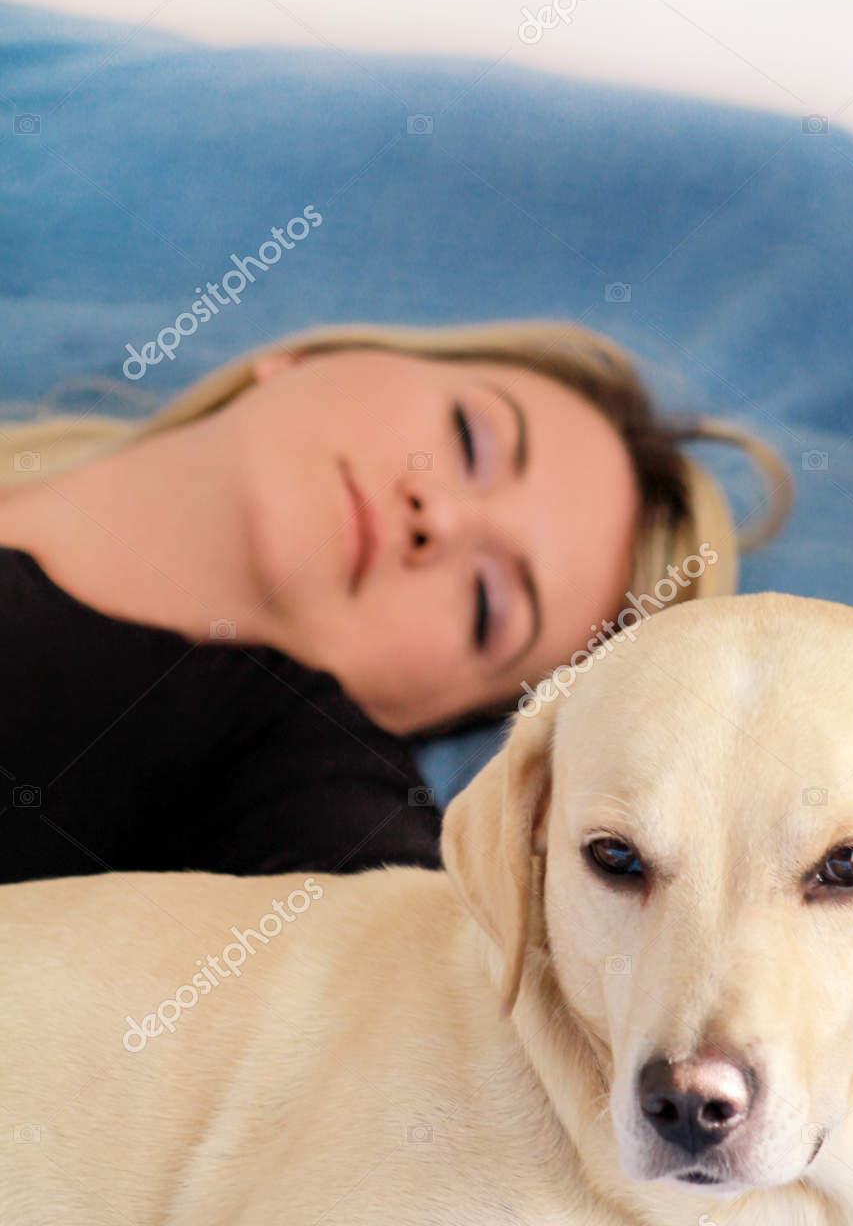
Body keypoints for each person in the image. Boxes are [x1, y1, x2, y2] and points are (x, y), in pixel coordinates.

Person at [0, 319, 788, 883]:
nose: (439, 519)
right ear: (310, 355)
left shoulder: (294, 777)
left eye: (487, 605)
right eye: (472, 441)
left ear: (417, 720)